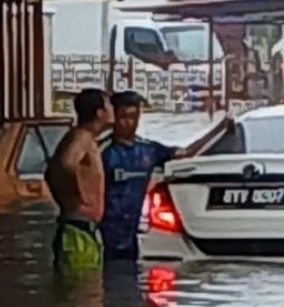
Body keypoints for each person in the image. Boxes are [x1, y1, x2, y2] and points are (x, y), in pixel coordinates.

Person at [99, 91, 233, 262]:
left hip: (131, 239)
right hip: (103, 237)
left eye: (134, 116)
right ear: (113, 117)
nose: (129, 122)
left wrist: (219, 129)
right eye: (123, 116)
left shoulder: (148, 150)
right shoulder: (103, 152)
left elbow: (186, 155)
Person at [45, 87, 114, 273]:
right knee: (82, 294)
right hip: (77, 231)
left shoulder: (84, 137)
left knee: (85, 292)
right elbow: (67, 163)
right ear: (100, 113)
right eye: (110, 105)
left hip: (80, 229)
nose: (114, 109)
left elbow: (50, 172)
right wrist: (82, 193)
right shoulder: (82, 137)